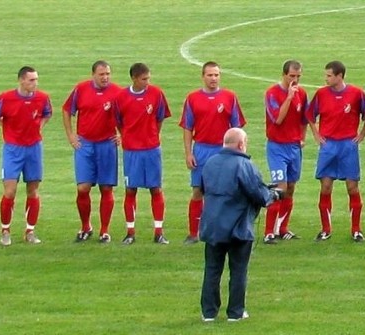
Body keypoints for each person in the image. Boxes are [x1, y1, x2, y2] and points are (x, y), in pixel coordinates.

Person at [199, 128, 281, 322]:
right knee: (238, 270)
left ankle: (208, 313)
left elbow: (204, 189)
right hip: (237, 226)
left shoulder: (209, 163)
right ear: (241, 144)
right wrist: (273, 194)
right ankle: (235, 312)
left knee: (212, 269)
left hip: (212, 225)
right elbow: (259, 195)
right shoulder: (245, 165)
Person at [180, 61, 246, 244]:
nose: (213, 78)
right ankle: (194, 233)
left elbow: (237, 128)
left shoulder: (229, 97)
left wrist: (238, 153)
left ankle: (225, 231)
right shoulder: (192, 98)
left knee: (227, 192)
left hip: (223, 151)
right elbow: (187, 128)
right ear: (203, 76)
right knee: (198, 191)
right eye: (210, 75)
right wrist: (188, 153)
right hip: (201, 150)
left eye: (216, 75)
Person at [0, 66, 52, 246]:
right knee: (10, 190)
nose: (35, 83)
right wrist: (5, 128)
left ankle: (30, 231)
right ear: (21, 81)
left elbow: (47, 114)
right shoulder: (6, 98)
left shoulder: (42, 98)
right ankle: (5, 230)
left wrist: (40, 126)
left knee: (33, 190)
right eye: (31, 80)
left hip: (33, 148)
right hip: (13, 149)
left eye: (36, 79)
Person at [306, 60, 365, 242]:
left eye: (329, 75)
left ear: (339, 76)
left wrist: (362, 134)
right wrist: (316, 134)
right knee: (325, 186)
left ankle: (356, 230)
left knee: (352, 187)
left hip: (348, 146)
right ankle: (326, 229)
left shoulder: (356, 94)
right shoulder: (321, 94)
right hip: (329, 146)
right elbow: (310, 115)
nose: (326, 78)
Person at [63, 60, 123, 244]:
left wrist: (123, 135)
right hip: (85, 144)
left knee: (106, 188)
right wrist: (71, 135)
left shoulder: (117, 92)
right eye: (101, 74)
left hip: (107, 144)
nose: (105, 77)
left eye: (108, 74)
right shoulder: (81, 89)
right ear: (93, 75)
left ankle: (104, 230)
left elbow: (128, 115)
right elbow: (66, 110)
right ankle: (85, 226)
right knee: (83, 188)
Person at [114, 62, 172, 244]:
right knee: (131, 190)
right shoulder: (121, 97)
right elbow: (119, 122)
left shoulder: (156, 94)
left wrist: (152, 135)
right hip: (132, 151)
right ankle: (130, 232)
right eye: (144, 79)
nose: (148, 82)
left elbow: (160, 118)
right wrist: (129, 138)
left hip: (152, 149)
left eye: (149, 78)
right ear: (134, 78)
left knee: (156, 189)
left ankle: (158, 232)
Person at [262, 59, 308, 244]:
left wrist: (302, 138)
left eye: (298, 76)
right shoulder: (272, 94)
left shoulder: (302, 94)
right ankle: (268, 232)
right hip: (277, 147)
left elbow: (304, 118)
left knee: (290, 188)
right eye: (291, 76)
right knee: (279, 189)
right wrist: (289, 97)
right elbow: (278, 119)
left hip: (294, 147)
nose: (295, 80)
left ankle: (282, 228)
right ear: (283, 75)